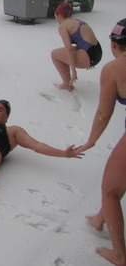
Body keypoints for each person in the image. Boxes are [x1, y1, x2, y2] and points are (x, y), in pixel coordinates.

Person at [75, 19, 126, 265]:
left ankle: (119, 255)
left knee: (110, 191)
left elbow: (104, 113)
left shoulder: (115, 69)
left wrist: (91, 141)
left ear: (115, 45)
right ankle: (100, 218)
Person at [51, 2, 102, 91]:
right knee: (61, 52)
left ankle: (67, 84)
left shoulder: (63, 26)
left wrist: (73, 70)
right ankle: (86, 60)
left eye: (55, 16)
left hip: (88, 55)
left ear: (58, 15)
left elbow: (69, 49)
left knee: (54, 54)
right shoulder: (77, 21)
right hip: (96, 52)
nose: (56, 19)